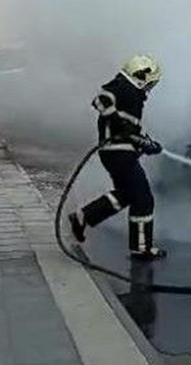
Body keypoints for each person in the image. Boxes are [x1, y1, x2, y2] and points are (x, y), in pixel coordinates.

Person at [68, 55, 167, 260]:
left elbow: (130, 127)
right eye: (150, 83)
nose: (150, 88)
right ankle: (141, 249)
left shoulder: (126, 91)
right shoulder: (126, 89)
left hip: (117, 152)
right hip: (119, 153)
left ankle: (83, 216)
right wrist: (136, 137)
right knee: (143, 199)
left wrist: (147, 143)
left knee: (127, 194)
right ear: (140, 76)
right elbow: (103, 102)